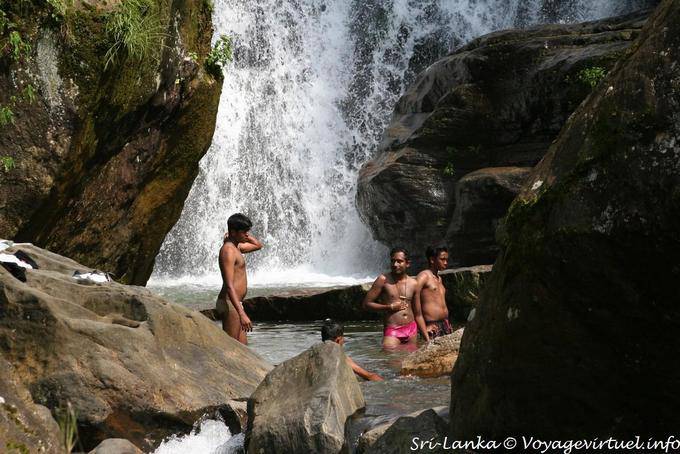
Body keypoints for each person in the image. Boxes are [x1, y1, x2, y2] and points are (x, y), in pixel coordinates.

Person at [362, 247, 428, 348]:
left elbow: (418, 314)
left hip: (412, 329)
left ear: (407, 263)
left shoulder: (414, 283)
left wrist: (427, 340)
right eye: (393, 261)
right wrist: (389, 307)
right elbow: (366, 304)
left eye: (399, 261)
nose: (395, 264)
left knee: (411, 361)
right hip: (393, 330)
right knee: (391, 360)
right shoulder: (383, 280)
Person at [216, 213, 263, 344]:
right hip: (230, 302)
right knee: (232, 348)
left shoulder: (236, 247)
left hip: (236, 303)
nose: (247, 235)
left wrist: (245, 236)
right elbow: (229, 285)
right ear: (233, 232)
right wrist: (241, 313)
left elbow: (258, 245)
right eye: (244, 232)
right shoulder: (228, 251)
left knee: (243, 348)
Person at [415, 246, 452, 341]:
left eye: (446, 259)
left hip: (445, 323)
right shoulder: (424, 276)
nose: (445, 262)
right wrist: (423, 329)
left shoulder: (439, 278)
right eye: (442, 259)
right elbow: (411, 299)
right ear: (432, 259)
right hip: (431, 325)